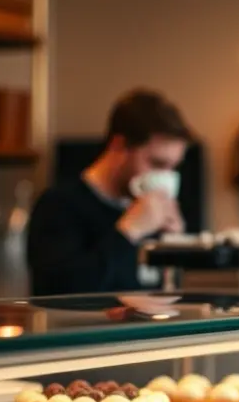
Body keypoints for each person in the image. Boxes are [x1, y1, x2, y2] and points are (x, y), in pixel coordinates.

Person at [27, 89, 191, 296]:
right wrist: (129, 231)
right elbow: (60, 291)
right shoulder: (59, 204)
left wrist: (175, 244)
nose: (165, 176)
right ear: (119, 146)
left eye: (173, 167)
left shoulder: (153, 213)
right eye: (157, 163)